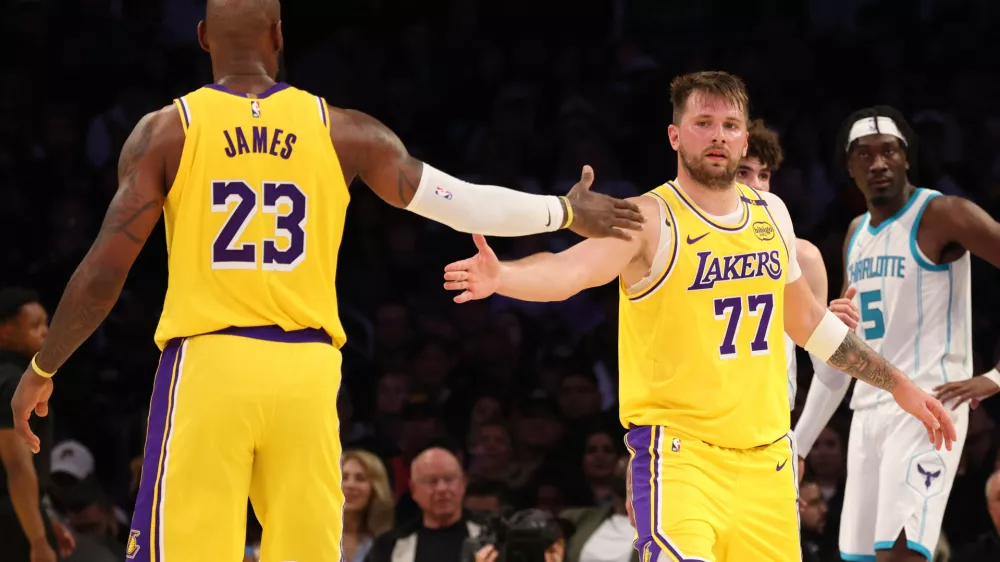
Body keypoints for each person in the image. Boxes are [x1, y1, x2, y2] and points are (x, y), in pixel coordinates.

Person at [7, 1, 644, 561]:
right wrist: (563, 211)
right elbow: (464, 203)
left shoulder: (167, 130)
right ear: (279, 36)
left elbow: (103, 270)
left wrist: (43, 366)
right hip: (307, 375)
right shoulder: (344, 130)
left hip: (210, 366)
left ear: (202, 37)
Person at [441, 71, 957, 562]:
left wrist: (898, 385)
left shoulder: (770, 214)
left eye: (730, 126)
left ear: (743, 136)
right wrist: (502, 276)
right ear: (674, 135)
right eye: (702, 124)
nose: (718, 137)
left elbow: (809, 323)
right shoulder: (648, 217)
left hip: (768, 462)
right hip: (682, 459)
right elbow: (569, 272)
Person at [794, 105, 1000, 562]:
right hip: (868, 413)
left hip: (928, 406)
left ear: (907, 157)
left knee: (900, 556)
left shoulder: (943, 213)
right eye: (864, 155)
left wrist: (998, 376)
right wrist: (799, 445)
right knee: (858, 558)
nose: (879, 163)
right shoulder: (855, 234)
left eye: (889, 151)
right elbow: (847, 355)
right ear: (850, 168)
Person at [0, 287, 72, 562]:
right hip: (10, 523)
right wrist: (38, 539)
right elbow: (17, 467)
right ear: (5, 331)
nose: (46, 331)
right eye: (35, 325)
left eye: (46, 323)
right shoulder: (11, 383)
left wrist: (43, 520)